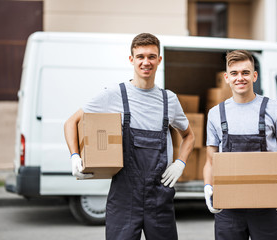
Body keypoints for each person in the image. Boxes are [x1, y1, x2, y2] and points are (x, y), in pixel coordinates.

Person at [64, 33, 195, 240]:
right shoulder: (114, 95)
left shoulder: (169, 99)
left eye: (152, 56)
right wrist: (74, 156)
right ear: (131, 59)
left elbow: (189, 136)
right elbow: (71, 122)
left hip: (159, 198)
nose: (146, 62)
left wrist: (180, 163)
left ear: (159, 60)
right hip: (124, 200)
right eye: (140, 56)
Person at [203, 50, 277, 240]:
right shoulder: (216, 114)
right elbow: (210, 160)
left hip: (266, 206)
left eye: (245, 73)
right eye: (235, 73)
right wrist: (207, 187)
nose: (240, 78)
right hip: (228, 208)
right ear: (227, 78)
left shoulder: (274, 109)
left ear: (254, 76)